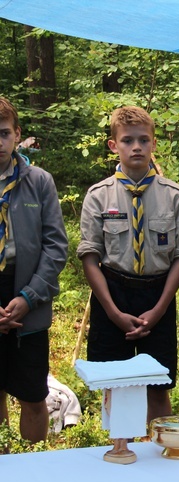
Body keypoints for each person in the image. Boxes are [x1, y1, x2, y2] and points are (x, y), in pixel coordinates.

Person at [77, 106, 179, 423]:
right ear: (114, 145)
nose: (137, 147)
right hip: (112, 292)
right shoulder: (98, 196)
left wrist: (158, 309)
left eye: (144, 140)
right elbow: (90, 256)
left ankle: (159, 457)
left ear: (154, 143)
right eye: (128, 140)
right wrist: (113, 312)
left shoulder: (174, 196)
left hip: (158, 293)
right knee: (116, 385)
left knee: (158, 386)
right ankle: (120, 453)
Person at [0, 97, 68, 444]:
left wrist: (28, 297)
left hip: (29, 295)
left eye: (4, 133)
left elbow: (56, 246)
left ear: (17, 135)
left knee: (32, 393)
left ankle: (34, 469)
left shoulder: (39, 181)